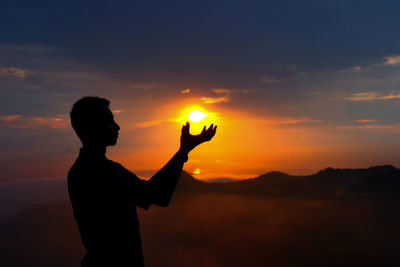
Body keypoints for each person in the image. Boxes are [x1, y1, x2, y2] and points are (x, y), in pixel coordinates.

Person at [67, 96, 217, 266]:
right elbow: (158, 195)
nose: (117, 126)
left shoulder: (78, 171)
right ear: (93, 127)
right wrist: (184, 150)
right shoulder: (103, 171)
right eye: (110, 121)